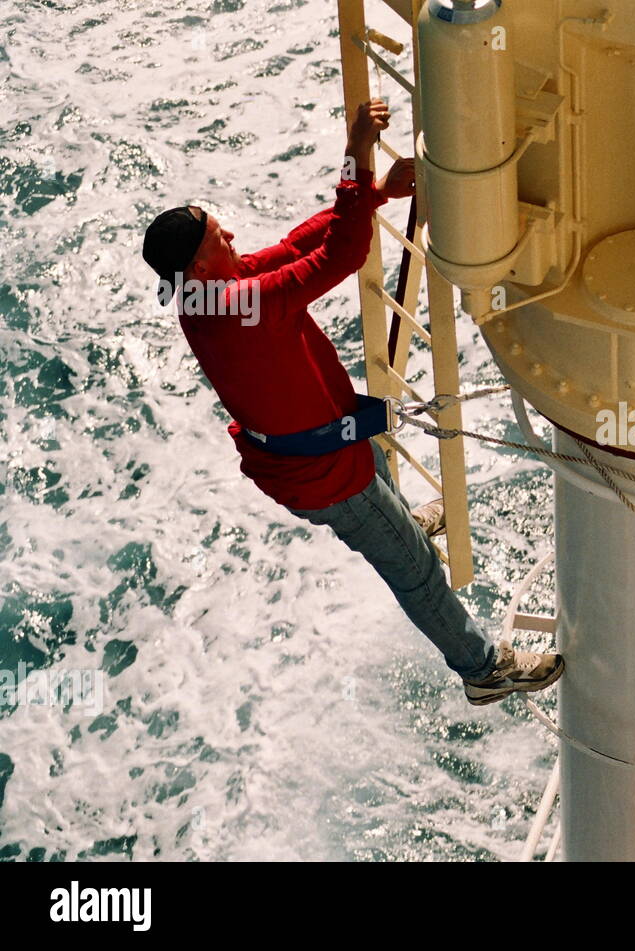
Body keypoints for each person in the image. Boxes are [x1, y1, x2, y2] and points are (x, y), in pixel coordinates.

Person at [141, 98, 562, 706]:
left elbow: (292, 247)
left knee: (378, 469)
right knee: (417, 574)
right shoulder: (236, 306)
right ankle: (482, 669)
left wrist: (377, 194)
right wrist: (357, 154)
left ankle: (400, 522)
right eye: (217, 235)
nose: (231, 235)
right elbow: (342, 254)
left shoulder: (206, 294)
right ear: (201, 263)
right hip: (328, 475)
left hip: (332, 444)